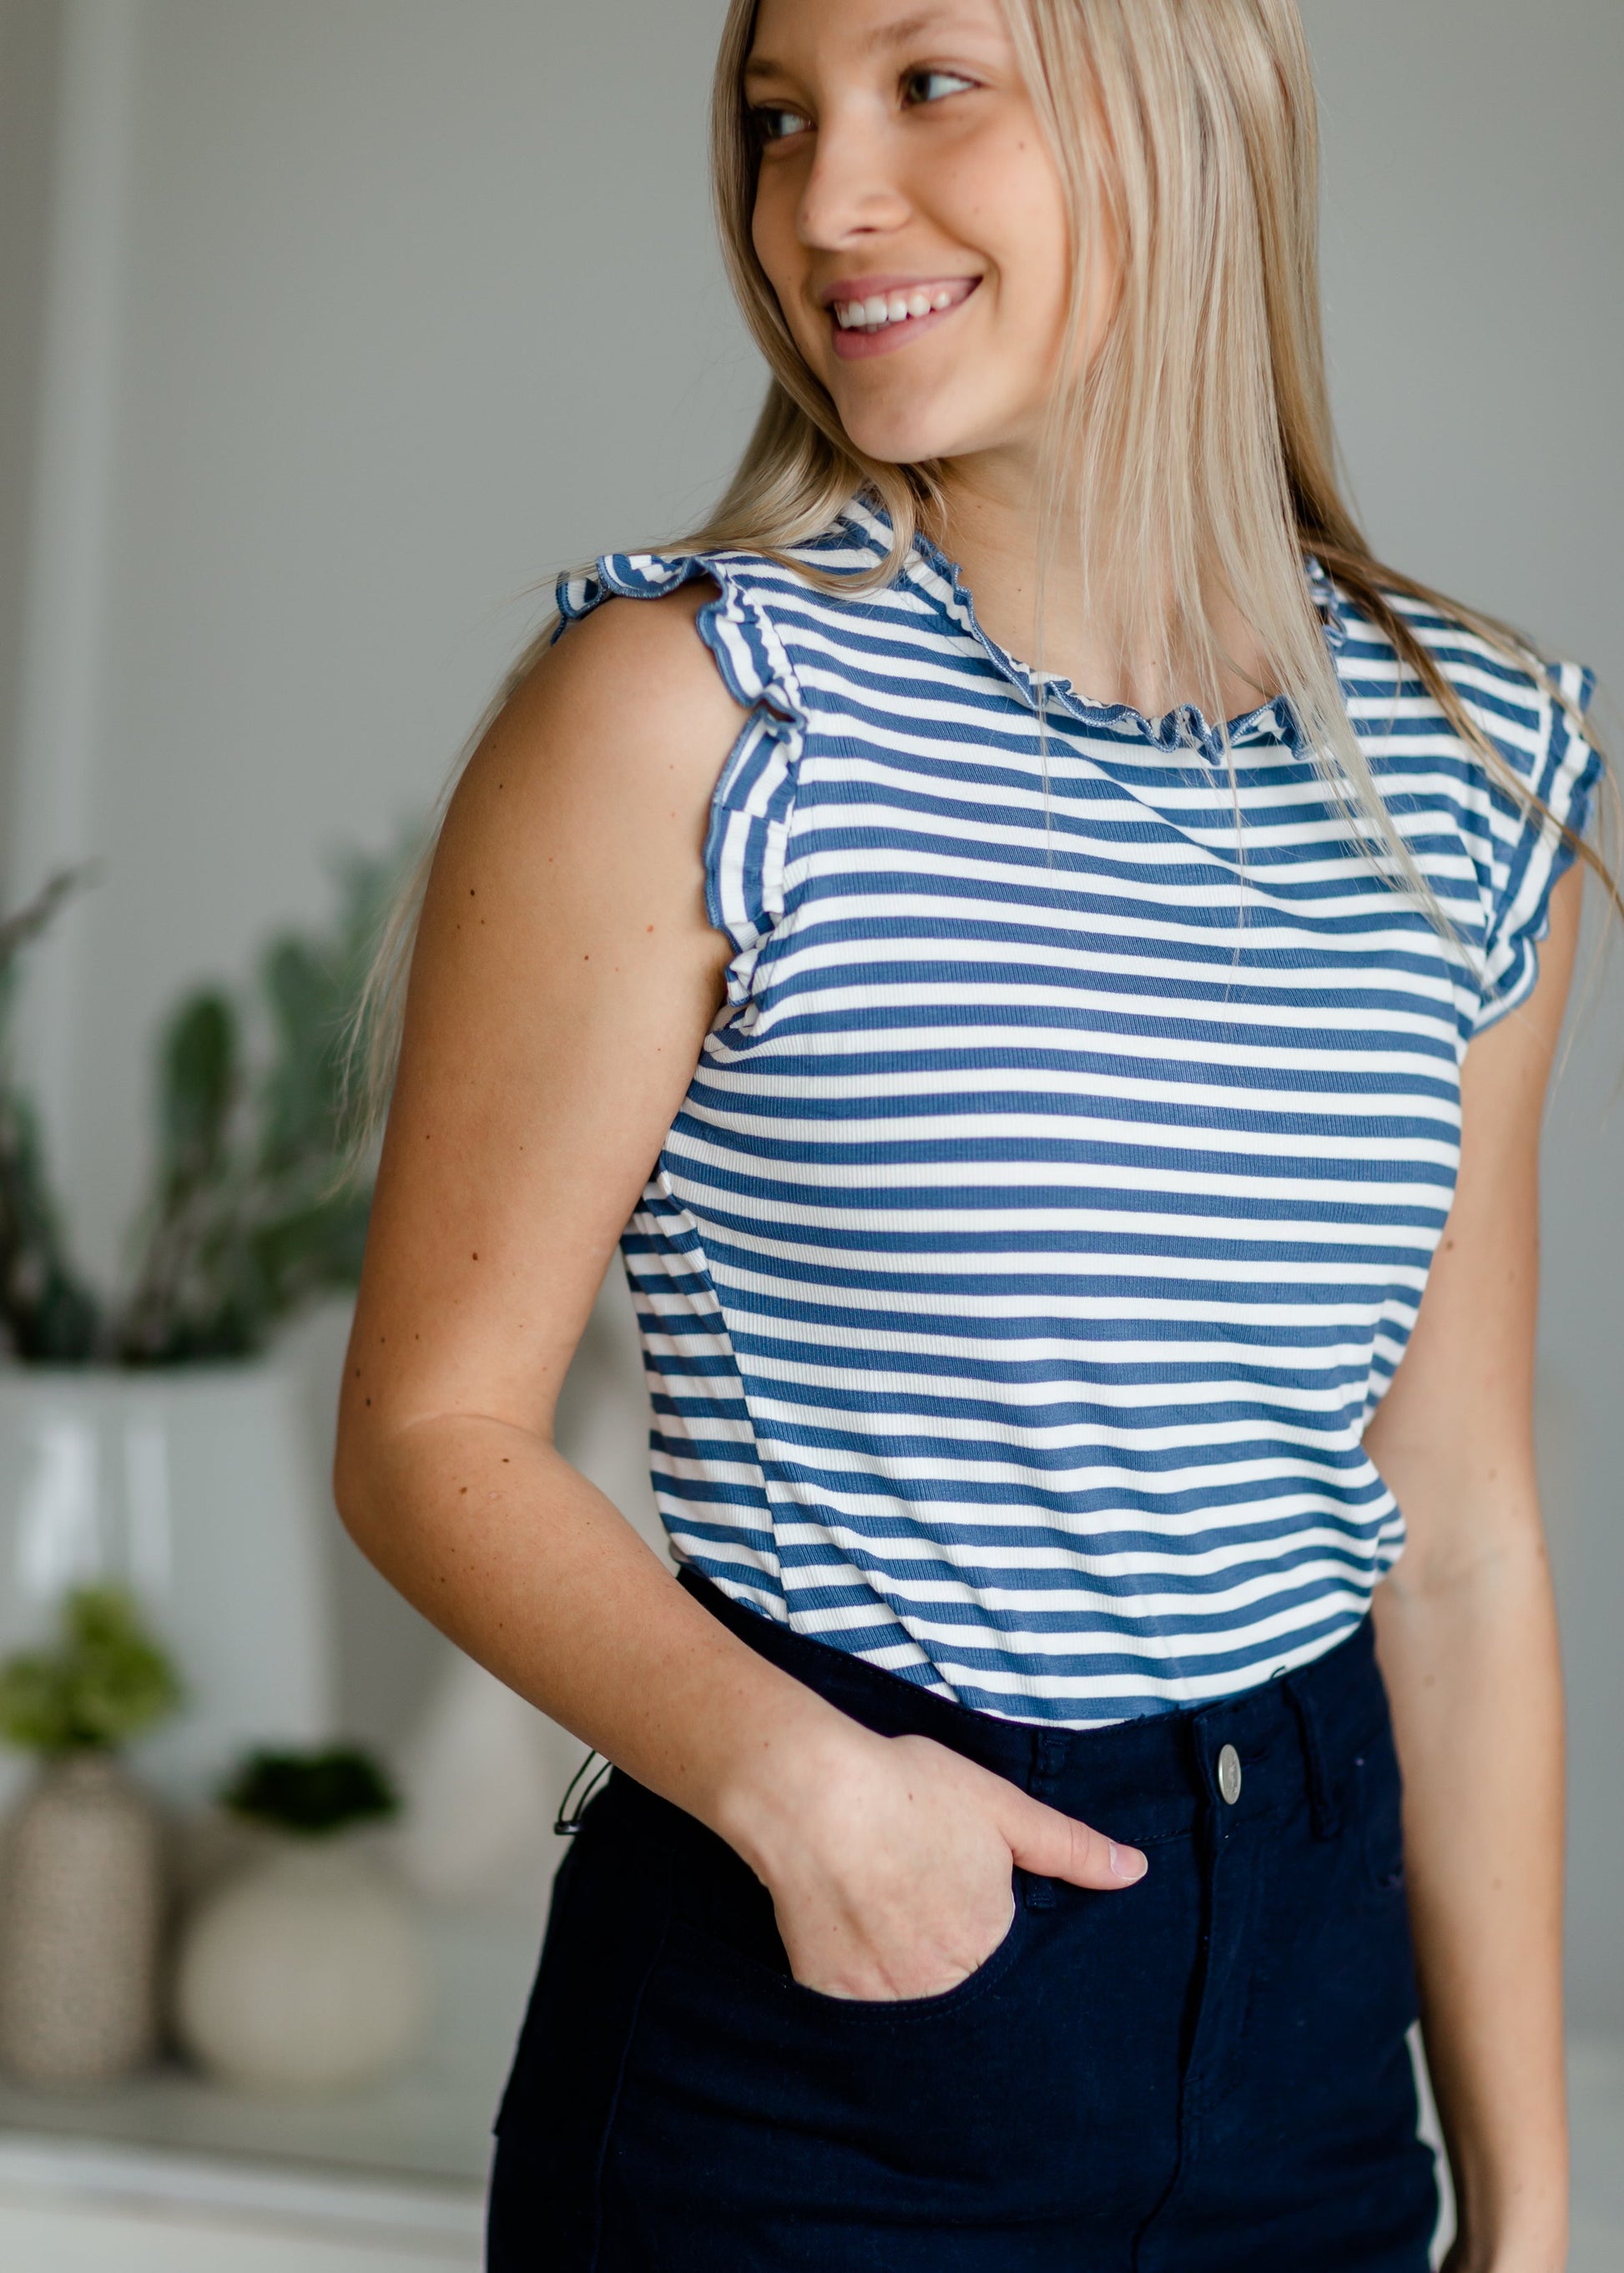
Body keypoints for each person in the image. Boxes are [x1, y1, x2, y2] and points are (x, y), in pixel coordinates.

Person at [335, 3, 1611, 2266]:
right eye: (774, 119)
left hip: (1308, 2045)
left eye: (932, 84)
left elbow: (1456, 1531)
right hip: (816, 2017)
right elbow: (433, 1429)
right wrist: (798, 1783)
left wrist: (1519, 2200)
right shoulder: (696, 710)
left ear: (1180, 113)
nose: (822, 201)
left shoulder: (1472, 754)